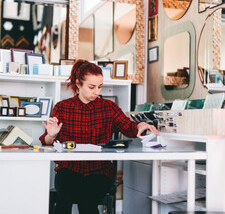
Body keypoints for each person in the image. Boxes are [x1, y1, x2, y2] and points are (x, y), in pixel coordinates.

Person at [40, 59, 158, 214]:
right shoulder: (62, 108)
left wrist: (140, 125)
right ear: (78, 84)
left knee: (87, 204)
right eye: (91, 87)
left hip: (99, 171)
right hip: (68, 170)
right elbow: (46, 143)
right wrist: (51, 135)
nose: (96, 92)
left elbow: (128, 127)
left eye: (99, 87)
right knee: (63, 202)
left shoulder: (108, 107)